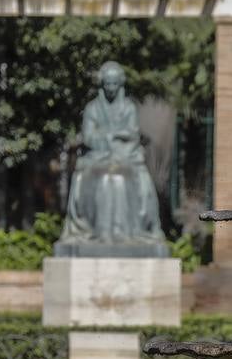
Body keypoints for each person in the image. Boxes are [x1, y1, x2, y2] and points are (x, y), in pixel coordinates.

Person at [56, 61, 167, 255]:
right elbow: (89, 136)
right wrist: (112, 137)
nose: (111, 88)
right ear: (102, 84)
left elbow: (132, 135)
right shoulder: (92, 108)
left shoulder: (128, 107)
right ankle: (101, 232)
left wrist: (111, 137)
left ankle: (126, 232)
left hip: (125, 158)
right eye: (107, 84)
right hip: (97, 159)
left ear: (120, 84)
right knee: (105, 178)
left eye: (115, 84)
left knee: (123, 178)